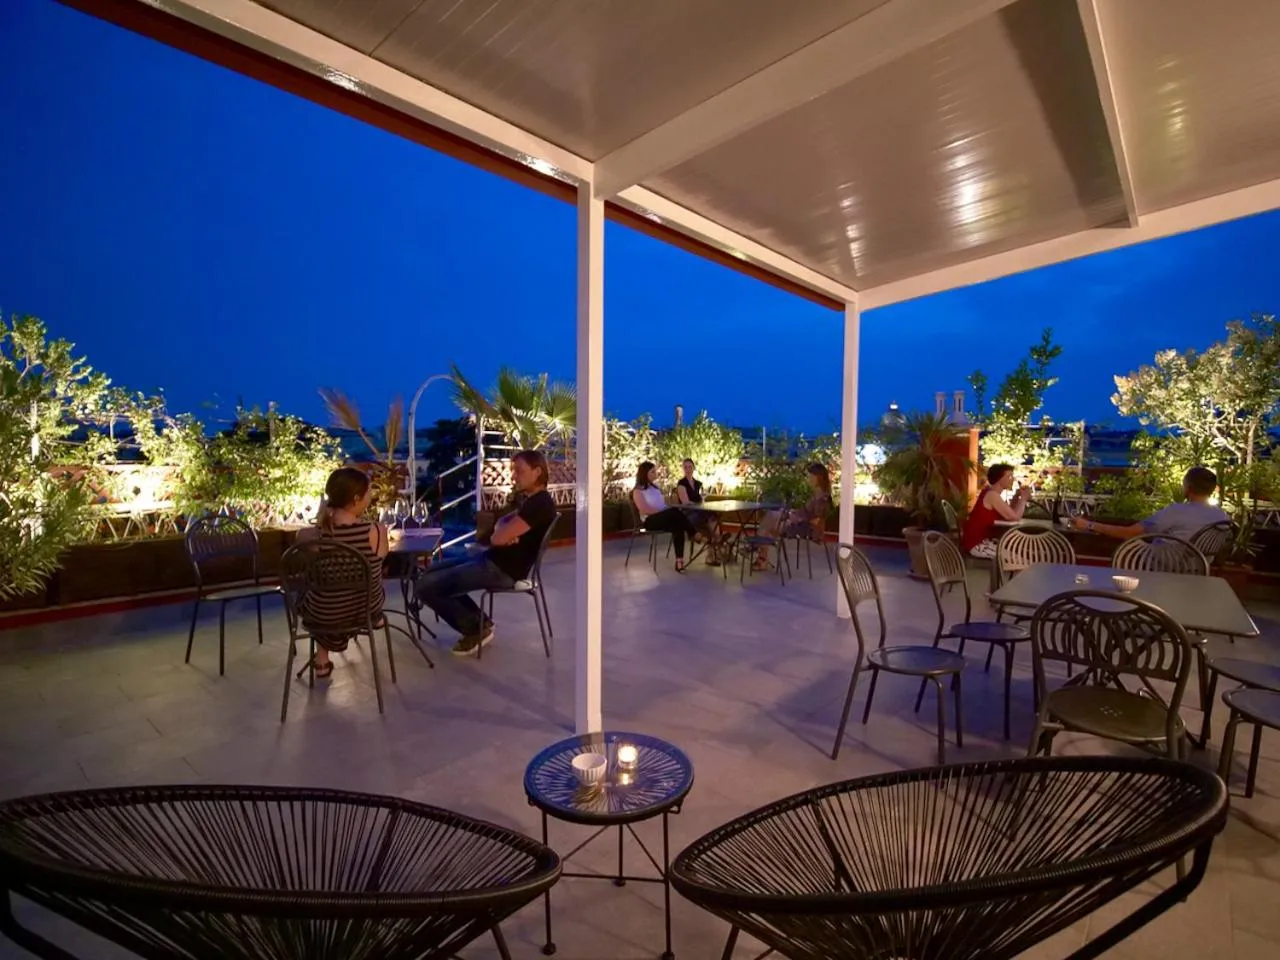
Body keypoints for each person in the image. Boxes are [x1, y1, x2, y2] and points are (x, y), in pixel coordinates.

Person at [414, 449, 558, 656]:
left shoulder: (540, 504)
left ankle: (475, 629)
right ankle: (480, 623)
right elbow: (501, 525)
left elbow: (496, 538)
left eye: (519, 471)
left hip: (503, 571)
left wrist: (502, 536)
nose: (514, 476)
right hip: (493, 560)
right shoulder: (531, 500)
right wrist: (504, 534)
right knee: (430, 572)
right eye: (513, 471)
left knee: (425, 586)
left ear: (537, 472)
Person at [295, 466, 388, 679]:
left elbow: (302, 564)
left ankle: (321, 660)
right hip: (362, 610)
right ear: (356, 498)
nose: (370, 496)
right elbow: (380, 560)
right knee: (365, 585)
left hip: (323, 613)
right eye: (368, 491)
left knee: (322, 592)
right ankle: (375, 618)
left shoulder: (309, 535)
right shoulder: (375, 531)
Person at [1069, 466, 1230, 541]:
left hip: (1162, 568)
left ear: (1188, 488)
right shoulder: (1222, 517)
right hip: (1199, 571)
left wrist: (1089, 525)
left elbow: (1130, 533)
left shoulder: (1177, 511)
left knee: (1122, 553)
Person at [755, 463, 833, 570]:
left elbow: (815, 521)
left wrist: (795, 518)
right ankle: (761, 554)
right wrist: (793, 513)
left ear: (818, 477)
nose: (808, 479)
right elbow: (805, 512)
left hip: (805, 528)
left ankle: (759, 551)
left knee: (770, 525)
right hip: (798, 521)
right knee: (772, 516)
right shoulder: (816, 494)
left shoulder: (823, 498)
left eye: (810, 476)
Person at [632, 461, 698, 572]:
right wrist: (662, 512)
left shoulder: (655, 488)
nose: (655, 474)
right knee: (674, 512)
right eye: (652, 472)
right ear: (645, 473)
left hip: (662, 517)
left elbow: (662, 505)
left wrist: (665, 510)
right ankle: (694, 533)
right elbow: (644, 510)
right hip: (649, 521)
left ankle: (679, 562)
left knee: (678, 526)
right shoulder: (638, 491)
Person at [961, 463, 1033, 559]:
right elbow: (1014, 517)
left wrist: (1016, 497)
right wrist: (1023, 499)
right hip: (978, 544)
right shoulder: (992, 495)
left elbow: (1009, 512)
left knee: (1021, 552)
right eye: (1009, 476)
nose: (1012, 479)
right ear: (999, 479)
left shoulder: (992, 493)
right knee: (1019, 559)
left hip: (984, 541)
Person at [675, 458, 722, 565]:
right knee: (710, 517)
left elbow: (701, 499)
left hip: (699, 512)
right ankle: (718, 543)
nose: (688, 469)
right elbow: (686, 502)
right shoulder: (681, 484)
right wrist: (698, 503)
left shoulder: (698, 484)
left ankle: (713, 551)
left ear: (694, 468)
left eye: (690, 467)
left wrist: (700, 502)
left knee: (711, 516)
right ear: (683, 469)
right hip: (687, 515)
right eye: (685, 467)